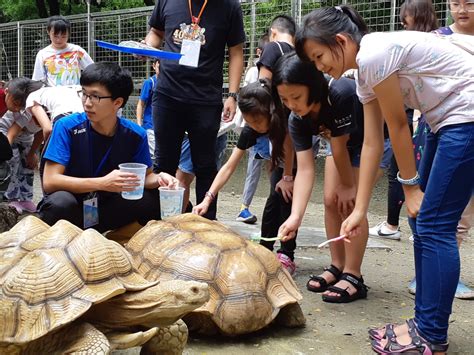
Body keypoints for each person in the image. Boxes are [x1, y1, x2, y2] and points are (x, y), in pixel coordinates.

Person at [296, 5, 473, 354]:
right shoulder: (364, 73)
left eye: (319, 57)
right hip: (446, 120)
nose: (320, 68)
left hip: (465, 117)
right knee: (424, 225)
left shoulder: (374, 53)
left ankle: (431, 336)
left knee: (434, 226)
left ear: (341, 40)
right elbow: (375, 141)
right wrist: (360, 210)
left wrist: (410, 186)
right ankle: (425, 324)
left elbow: (399, 125)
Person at [275, 52, 390, 303]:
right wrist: (295, 217)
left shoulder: (340, 92)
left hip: (373, 142)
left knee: (348, 203)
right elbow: (305, 169)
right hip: (341, 144)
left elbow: (340, 147)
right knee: (330, 200)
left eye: (296, 97)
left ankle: (353, 275)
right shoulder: (297, 119)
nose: (291, 105)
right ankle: (337, 265)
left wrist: (349, 186)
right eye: (284, 99)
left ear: (313, 86)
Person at [37, 63, 178, 232]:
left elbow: (144, 179)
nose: (87, 103)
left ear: (117, 102)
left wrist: (161, 178)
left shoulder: (135, 134)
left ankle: (123, 239)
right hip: (73, 212)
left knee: (156, 198)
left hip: (106, 208)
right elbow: (50, 181)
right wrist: (103, 183)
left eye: (95, 96)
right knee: (60, 203)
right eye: (84, 94)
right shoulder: (66, 127)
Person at [143, 0, 245, 220]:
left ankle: (207, 224)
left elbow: (236, 52)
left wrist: (233, 96)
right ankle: (160, 223)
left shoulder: (229, 6)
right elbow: (155, 32)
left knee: (205, 165)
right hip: (168, 94)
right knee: (164, 163)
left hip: (206, 98)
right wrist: (145, 47)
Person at [405, 0, 474, 300]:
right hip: (438, 131)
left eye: (470, 3)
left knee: (459, 215)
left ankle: (436, 284)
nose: (462, 9)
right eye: (455, 2)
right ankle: (428, 279)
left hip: (466, 130)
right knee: (430, 215)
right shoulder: (436, 38)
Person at [193, 79, 290, 264]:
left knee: (285, 198)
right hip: (278, 160)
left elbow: (291, 152)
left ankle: (287, 253)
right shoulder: (250, 130)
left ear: (269, 112)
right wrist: (207, 198)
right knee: (273, 201)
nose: (252, 125)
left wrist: (288, 177)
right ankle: (265, 249)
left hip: (295, 160)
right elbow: (229, 166)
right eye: (248, 121)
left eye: (256, 121)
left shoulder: (283, 120)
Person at [369, 0, 439, 240]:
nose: (402, 26)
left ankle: (406, 225)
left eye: (405, 21)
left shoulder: (429, 45)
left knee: (418, 174)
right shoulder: (425, 44)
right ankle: (405, 225)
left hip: (433, 123)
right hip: (421, 122)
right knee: (405, 172)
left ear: (419, 18)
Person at [236, 34, 270, 224]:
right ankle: (243, 207)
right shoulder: (253, 72)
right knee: (254, 166)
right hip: (253, 129)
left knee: (269, 166)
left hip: (264, 127)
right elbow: (248, 102)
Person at [32, 15, 93, 87]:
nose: (59, 40)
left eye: (63, 36)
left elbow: (92, 70)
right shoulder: (42, 54)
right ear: (48, 32)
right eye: (55, 36)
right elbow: (38, 80)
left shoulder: (77, 50)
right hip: (54, 96)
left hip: (75, 94)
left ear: (69, 34)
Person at [136, 59, 160, 160]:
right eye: (160, 66)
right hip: (151, 127)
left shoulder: (170, 83)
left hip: (166, 128)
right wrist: (139, 124)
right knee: (154, 157)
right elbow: (141, 104)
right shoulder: (150, 82)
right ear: (154, 66)